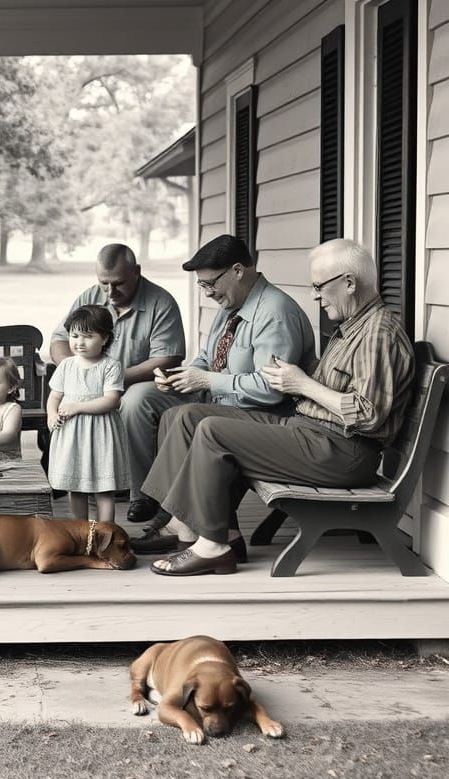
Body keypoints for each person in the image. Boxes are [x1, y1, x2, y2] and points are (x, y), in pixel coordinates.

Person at [143, 238, 415, 577]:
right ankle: (211, 531)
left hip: (344, 451)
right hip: (313, 432)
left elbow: (369, 414)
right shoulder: (354, 328)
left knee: (212, 430)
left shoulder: (378, 334)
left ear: (348, 282)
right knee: (191, 416)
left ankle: (213, 546)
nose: (315, 295)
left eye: (319, 286)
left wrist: (302, 384)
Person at [128, 233, 316, 550]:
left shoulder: (274, 313)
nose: (207, 292)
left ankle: (187, 523)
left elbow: (271, 390)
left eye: (210, 283)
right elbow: (208, 357)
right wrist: (179, 376)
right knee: (153, 401)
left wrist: (206, 382)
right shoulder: (232, 305)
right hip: (228, 404)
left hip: (268, 417)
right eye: (201, 285)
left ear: (238, 270)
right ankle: (186, 518)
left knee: (185, 418)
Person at [47, 244, 184, 522]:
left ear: (136, 272)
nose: (109, 292)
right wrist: (70, 369)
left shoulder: (161, 302)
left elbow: (167, 358)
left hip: (142, 381)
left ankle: (141, 494)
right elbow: (60, 338)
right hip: (90, 381)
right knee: (65, 396)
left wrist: (110, 380)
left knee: (132, 402)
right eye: (104, 283)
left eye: (118, 283)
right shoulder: (90, 296)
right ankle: (72, 477)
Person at [46, 305, 128, 523]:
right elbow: (54, 396)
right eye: (74, 336)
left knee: (104, 489)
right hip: (72, 434)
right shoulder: (66, 365)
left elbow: (111, 400)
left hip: (100, 432)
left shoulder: (110, 366)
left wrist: (77, 407)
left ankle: (105, 531)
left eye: (88, 336)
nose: (79, 342)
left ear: (105, 338)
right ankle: (81, 531)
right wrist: (52, 415)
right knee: (77, 487)